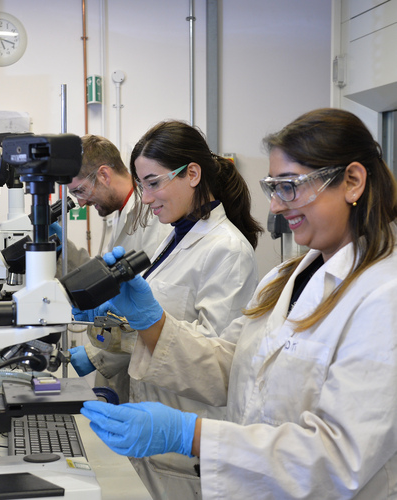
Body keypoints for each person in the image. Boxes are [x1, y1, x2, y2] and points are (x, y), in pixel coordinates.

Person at [79, 108, 397, 499]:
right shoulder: (283, 280)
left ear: (352, 181)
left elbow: (338, 458)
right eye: (272, 188)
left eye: (290, 186)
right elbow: (233, 367)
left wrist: (190, 435)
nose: (276, 206)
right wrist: (151, 322)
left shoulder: (384, 295)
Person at [72, 120, 262, 499]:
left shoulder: (227, 249)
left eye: (154, 182)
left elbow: (219, 366)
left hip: (185, 444)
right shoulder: (175, 237)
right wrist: (110, 331)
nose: (145, 196)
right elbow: (157, 326)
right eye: (142, 185)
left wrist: (143, 324)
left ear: (193, 174)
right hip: (152, 432)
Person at [65, 134, 171, 402]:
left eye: (79, 191)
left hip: (148, 370)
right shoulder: (122, 215)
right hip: (127, 365)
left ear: (103, 174)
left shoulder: (154, 218)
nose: (79, 202)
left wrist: (96, 356)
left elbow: (153, 313)